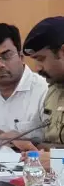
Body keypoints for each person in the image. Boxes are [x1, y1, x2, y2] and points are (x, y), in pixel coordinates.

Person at [0, 24, 47, 145]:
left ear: (21, 56)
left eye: (6, 56)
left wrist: (25, 143)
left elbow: (57, 147)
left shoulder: (45, 90)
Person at [22, 16, 64, 151]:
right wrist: (31, 146)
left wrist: (54, 159)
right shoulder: (53, 90)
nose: (37, 68)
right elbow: (54, 144)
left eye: (41, 59)